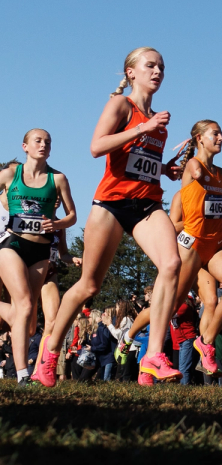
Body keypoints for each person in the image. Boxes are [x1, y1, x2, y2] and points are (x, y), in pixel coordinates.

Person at [33, 48, 184, 387]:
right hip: (111, 205)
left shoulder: (158, 121)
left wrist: (165, 169)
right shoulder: (122, 107)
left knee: (172, 265)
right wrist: (143, 127)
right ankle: (51, 350)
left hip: (146, 205)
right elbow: (97, 146)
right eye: (150, 65)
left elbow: (137, 161)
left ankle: (153, 356)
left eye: (162, 66)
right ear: (131, 73)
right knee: (88, 285)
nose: (157, 70)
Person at [115, 119, 222, 383]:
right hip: (191, 244)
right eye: (215, 134)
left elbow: (217, 196)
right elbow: (196, 176)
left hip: (216, 242)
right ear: (199, 138)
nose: (221, 137)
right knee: (170, 305)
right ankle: (130, 341)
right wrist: (192, 161)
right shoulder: (193, 165)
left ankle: (205, 342)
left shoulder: (220, 173)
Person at [0, 129, 78, 385]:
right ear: (25, 146)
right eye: (38, 141)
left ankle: (15, 333)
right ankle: (23, 374)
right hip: (12, 245)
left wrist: (56, 225)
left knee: (30, 320)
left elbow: (72, 216)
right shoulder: (11, 174)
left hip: (41, 251)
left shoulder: (58, 179)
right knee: (23, 305)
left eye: (48, 142)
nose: (43, 145)